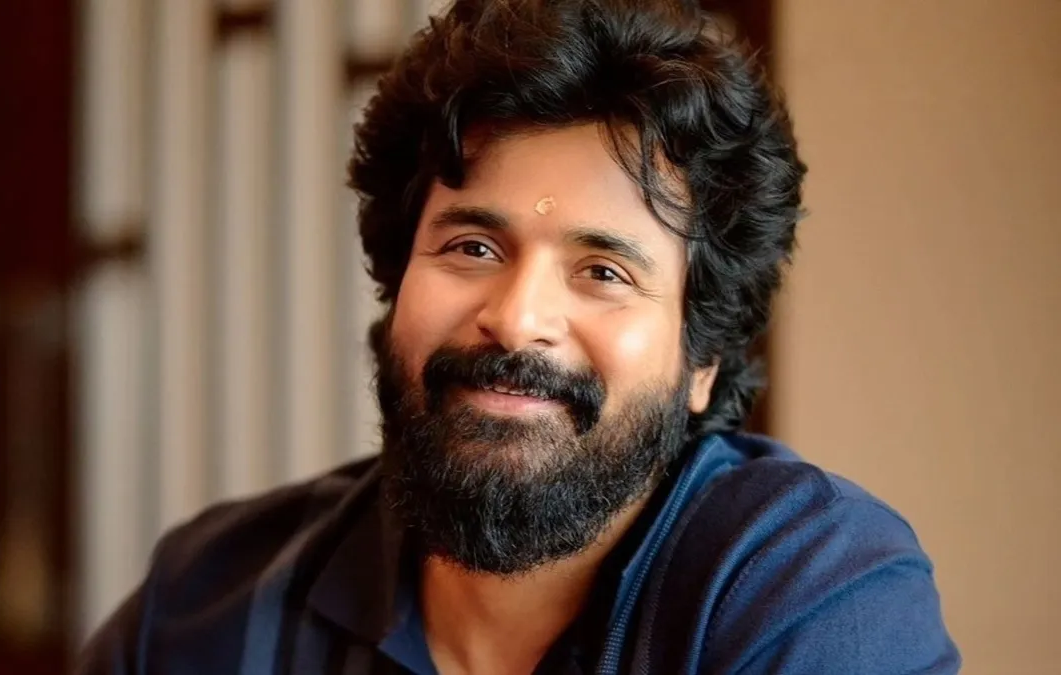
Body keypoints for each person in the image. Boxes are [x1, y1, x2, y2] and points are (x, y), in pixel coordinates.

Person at [79, 1, 960, 673]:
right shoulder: (204, 607)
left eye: (603, 271)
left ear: (703, 360)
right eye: (472, 247)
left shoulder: (804, 594)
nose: (517, 317)